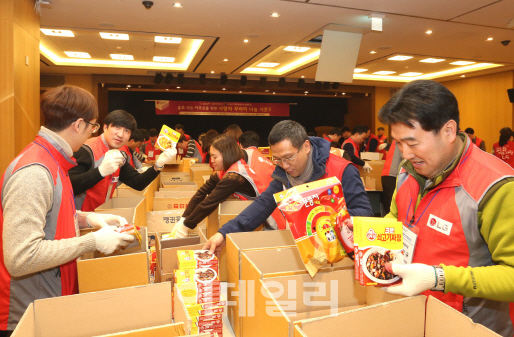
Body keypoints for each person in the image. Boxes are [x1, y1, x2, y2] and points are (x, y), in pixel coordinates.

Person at [379, 80, 514, 336]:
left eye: (413, 142)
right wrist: (368, 233)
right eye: (397, 143)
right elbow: (397, 221)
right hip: (417, 315)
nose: (404, 154)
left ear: (449, 131)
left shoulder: (495, 187)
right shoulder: (409, 173)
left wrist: (438, 278)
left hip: (470, 326)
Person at [0, 86, 134, 334]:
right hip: (27, 311)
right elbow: (21, 257)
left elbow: (51, 215)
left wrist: (88, 219)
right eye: (93, 126)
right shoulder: (35, 171)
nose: (92, 134)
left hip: (48, 297)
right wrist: (91, 242)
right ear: (78, 124)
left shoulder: (54, 159)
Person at [203, 120, 374, 255]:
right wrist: (224, 233)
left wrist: (334, 220)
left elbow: (365, 212)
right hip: (303, 252)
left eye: (289, 157)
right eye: (277, 159)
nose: (285, 165)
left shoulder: (342, 170)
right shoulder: (283, 174)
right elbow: (262, 206)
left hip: (339, 253)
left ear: (306, 147)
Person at [171, 135, 280, 237]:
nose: (211, 160)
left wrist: (186, 225)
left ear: (226, 155)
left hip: (269, 218)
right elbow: (202, 192)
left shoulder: (234, 175)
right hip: (251, 211)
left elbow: (210, 202)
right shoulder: (225, 170)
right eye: (211, 156)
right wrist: (184, 218)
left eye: (215, 157)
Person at [69, 110, 176, 212]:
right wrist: (100, 172)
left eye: (126, 131)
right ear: (105, 127)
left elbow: (137, 183)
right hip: (77, 220)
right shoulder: (87, 150)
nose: (120, 134)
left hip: (99, 218)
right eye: (117, 127)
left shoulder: (119, 155)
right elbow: (69, 186)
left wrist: (159, 164)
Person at [380, 140, 403, 214]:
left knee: (389, 206)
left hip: (387, 175)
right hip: (392, 175)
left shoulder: (397, 140)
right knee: (392, 207)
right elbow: (404, 156)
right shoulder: (401, 139)